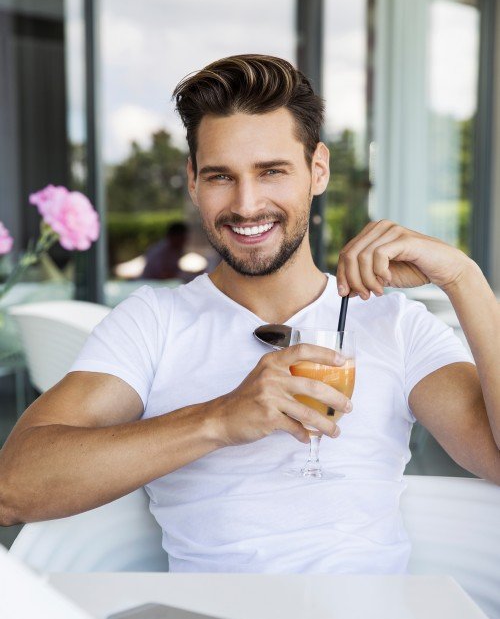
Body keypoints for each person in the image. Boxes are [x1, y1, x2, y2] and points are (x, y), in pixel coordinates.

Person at [1, 55, 499, 574]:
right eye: (221, 176)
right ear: (193, 180)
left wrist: (465, 279)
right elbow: (13, 488)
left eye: (272, 172)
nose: (245, 204)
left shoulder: (394, 323)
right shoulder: (154, 322)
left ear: (318, 169)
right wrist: (220, 418)